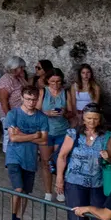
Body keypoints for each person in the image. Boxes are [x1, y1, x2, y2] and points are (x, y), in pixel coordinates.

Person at [54, 106, 111, 220]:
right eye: (88, 118)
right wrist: (59, 178)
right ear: (83, 118)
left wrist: (109, 156)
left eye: (95, 118)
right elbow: (62, 156)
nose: (92, 122)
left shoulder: (107, 136)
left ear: (100, 119)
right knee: (77, 217)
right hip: (74, 181)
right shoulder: (73, 134)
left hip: (97, 182)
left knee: (97, 218)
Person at [2, 85, 47, 220]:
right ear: (22, 98)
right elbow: (13, 137)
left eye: (34, 100)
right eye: (28, 99)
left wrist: (25, 135)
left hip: (30, 158)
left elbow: (44, 140)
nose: (31, 102)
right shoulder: (13, 114)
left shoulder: (41, 117)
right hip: (14, 156)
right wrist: (35, 135)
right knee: (18, 189)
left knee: (26, 193)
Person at [38, 69, 74, 200]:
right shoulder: (43, 92)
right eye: (52, 81)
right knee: (46, 161)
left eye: (58, 81)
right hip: (46, 132)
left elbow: (72, 113)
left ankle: (60, 189)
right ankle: (48, 191)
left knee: (61, 160)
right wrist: (47, 113)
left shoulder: (66, 93)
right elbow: (35, 112)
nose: (55, 84)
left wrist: (64, 113)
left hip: (62, 131)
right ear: (47, 81)